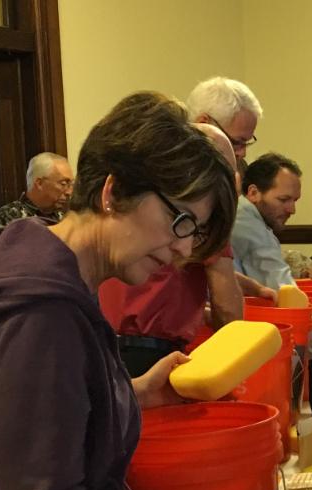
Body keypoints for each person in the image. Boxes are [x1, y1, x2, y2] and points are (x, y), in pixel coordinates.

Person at [0, 92, 303, 490]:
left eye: (196, 233)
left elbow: (34, 423)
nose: (184, 249)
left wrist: (134, 394)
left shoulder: (58, 271)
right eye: (181, 221)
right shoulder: (44, 308)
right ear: (114, 191)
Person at [98, 78, 273, 376]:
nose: (242, 153)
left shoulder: (147, 173)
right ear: (205, 125)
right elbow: (228, 312)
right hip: (149, 354)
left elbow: (179, 271)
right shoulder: (198, 195)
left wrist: (253, 288)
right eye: (237, 142)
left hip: (101, 343)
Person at [232, 152, 312, 357]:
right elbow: (289, 299)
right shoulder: (249, 227)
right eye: (283, 199)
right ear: (253, 192)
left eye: (295, 200)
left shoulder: (243, 215)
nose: (292, 209)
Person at [0, 152, 74, 226]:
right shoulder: (9, 216)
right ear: (39, 183)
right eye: (63, 184)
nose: (69, 192)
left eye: (71, 184)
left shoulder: (65, 217)